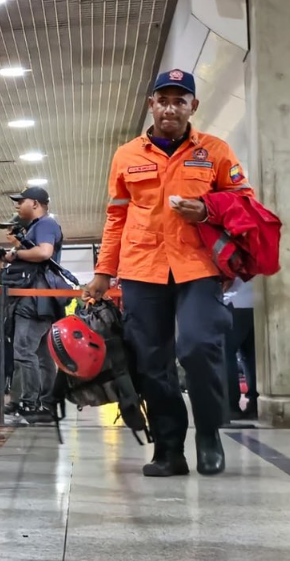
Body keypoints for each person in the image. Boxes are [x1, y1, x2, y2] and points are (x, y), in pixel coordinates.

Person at [85, 69, 251, 477]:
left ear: (193, 106)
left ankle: (209, 435)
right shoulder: (127, 155)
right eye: (163, 100)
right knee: (150, 361)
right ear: (151, 105)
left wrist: (208, 209)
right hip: (143, 269)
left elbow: (244, 203)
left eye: (180, 101)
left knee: (198, 347)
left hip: (198, 266)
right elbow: (116, 216)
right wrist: (104, 271)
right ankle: (170, 447)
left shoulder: (215, 151)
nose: (171, 108)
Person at [0, 186, 64, 415]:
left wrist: (16, 255)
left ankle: (30, 402)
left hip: (34, 299)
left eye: (21, 201)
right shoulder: (36, 227)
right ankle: (44, 403)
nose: (17, 205)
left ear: (35, 204)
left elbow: (44, 253)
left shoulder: (45, 224)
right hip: (41, 299)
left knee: (24, 351)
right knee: (42, 355)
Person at [224, 279, 257, 423]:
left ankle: (231, 406)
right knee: (251, 355)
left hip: (234, 300)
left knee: (225, 353)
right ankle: (255, 404)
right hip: (257, 301)